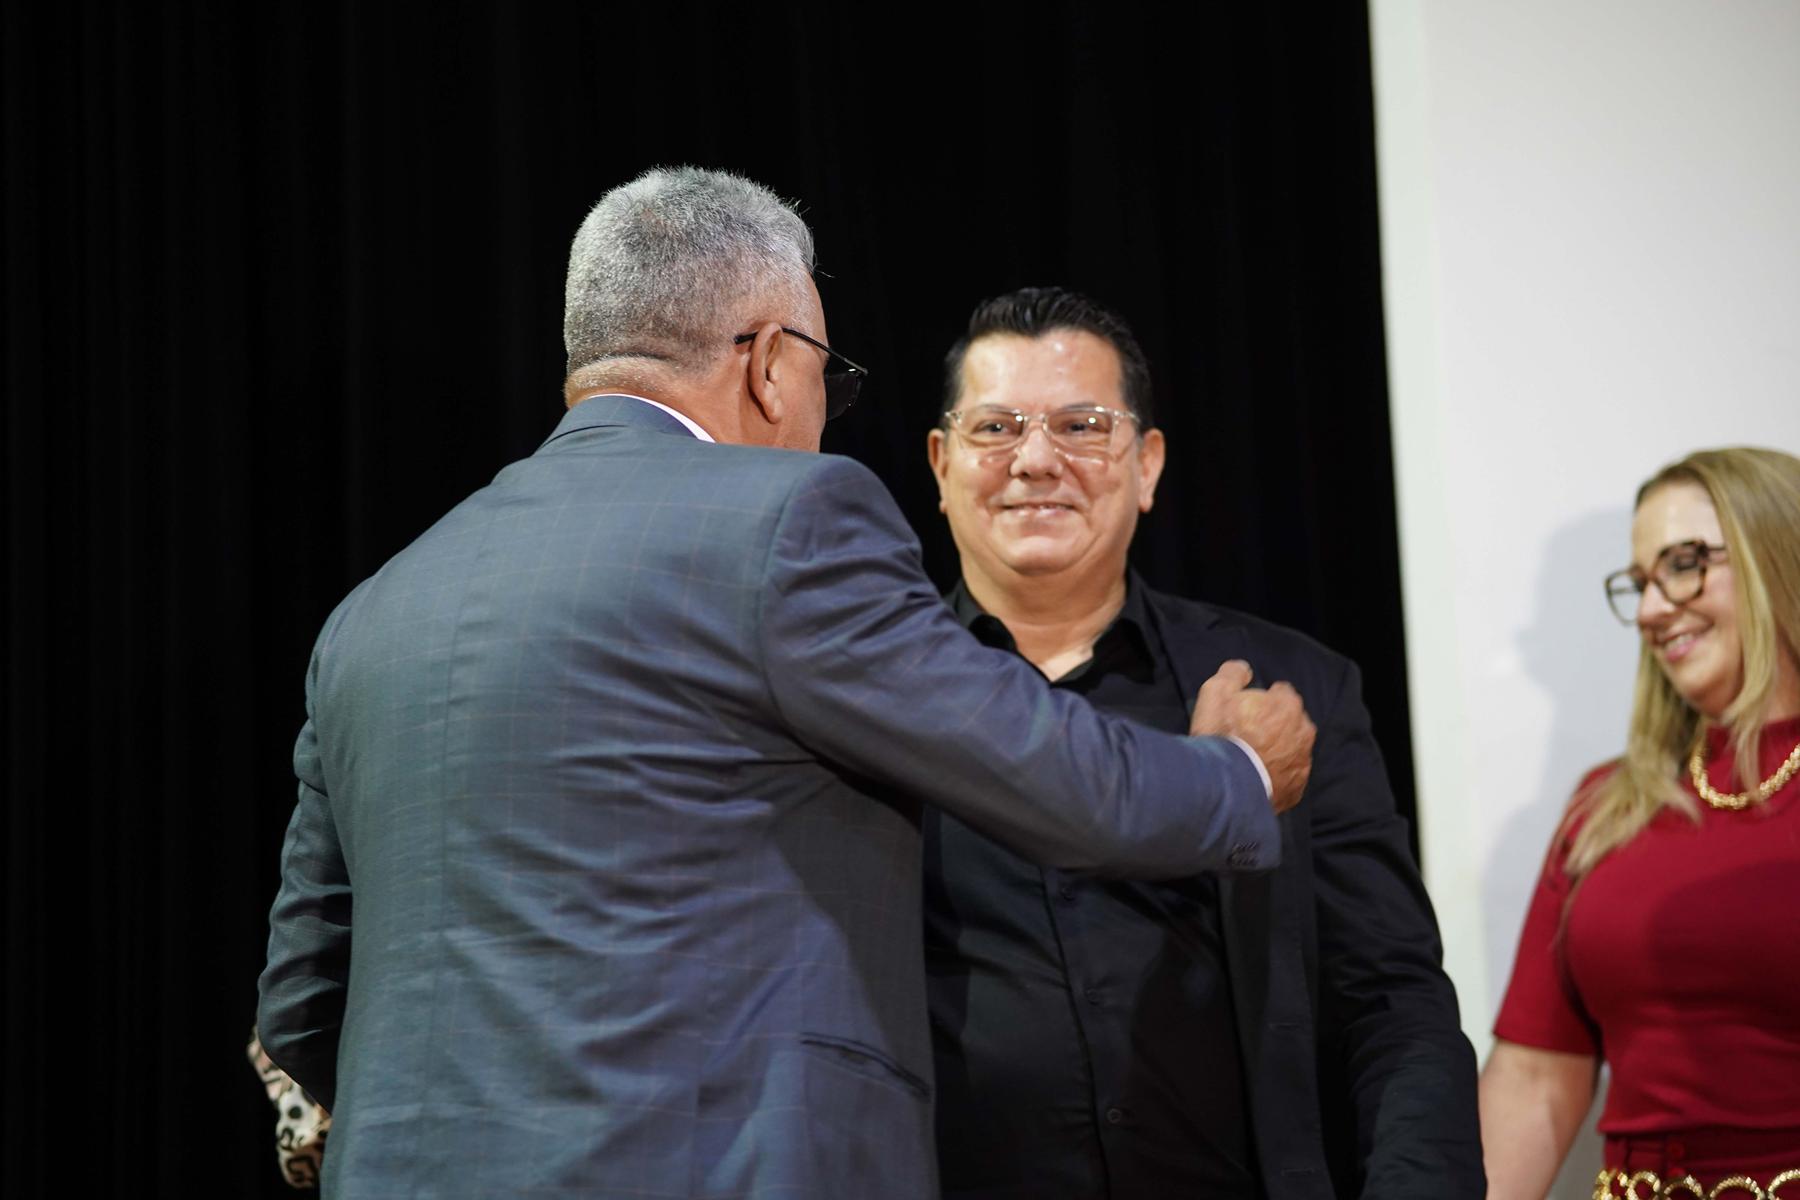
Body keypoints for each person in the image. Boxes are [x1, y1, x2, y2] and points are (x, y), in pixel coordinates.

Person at [256, 169, 1317, 1198]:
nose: (822, 412)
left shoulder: (371, 614)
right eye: (826, 376)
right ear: (769, 362)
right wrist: (1235, 772)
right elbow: (1048, 773)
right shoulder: (785, 522)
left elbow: (301, 1003)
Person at [920, 286, 1481, 1199]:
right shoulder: (864, 700)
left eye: (1081, 426)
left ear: (1147, 465)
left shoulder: (1292, 691)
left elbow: (1392, 999)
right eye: (996, 428)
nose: (1035, 459)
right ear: (942, 467)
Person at [1482, 447, 1800, 1199]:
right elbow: (1535, 1077)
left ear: (1777, 558)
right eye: (1641, 583)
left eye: (1685, 565)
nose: (1653, 610)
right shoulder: (1606, 807)